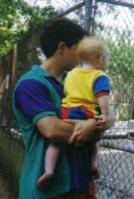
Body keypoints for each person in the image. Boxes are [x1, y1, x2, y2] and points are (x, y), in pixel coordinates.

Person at [13, 17, 102, 199]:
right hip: (48, 192)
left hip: (80, 185)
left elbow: (104, 117)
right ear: (62, 47)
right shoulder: (31, 84)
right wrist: (94, 129)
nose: (84, 55)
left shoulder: (76, 82)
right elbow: (52, 130)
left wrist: (95, 124)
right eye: (80, 49)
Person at [37, 36, 115, 189]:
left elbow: (68, 92)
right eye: (107, 59)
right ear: (101, 59)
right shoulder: (100, 76)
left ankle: (48, 170)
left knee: (56, 143)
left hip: (67, 112)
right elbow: (102, 97)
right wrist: (105, 115)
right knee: (93, 141)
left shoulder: (71, 74)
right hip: (87, 113)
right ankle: (92, 163)